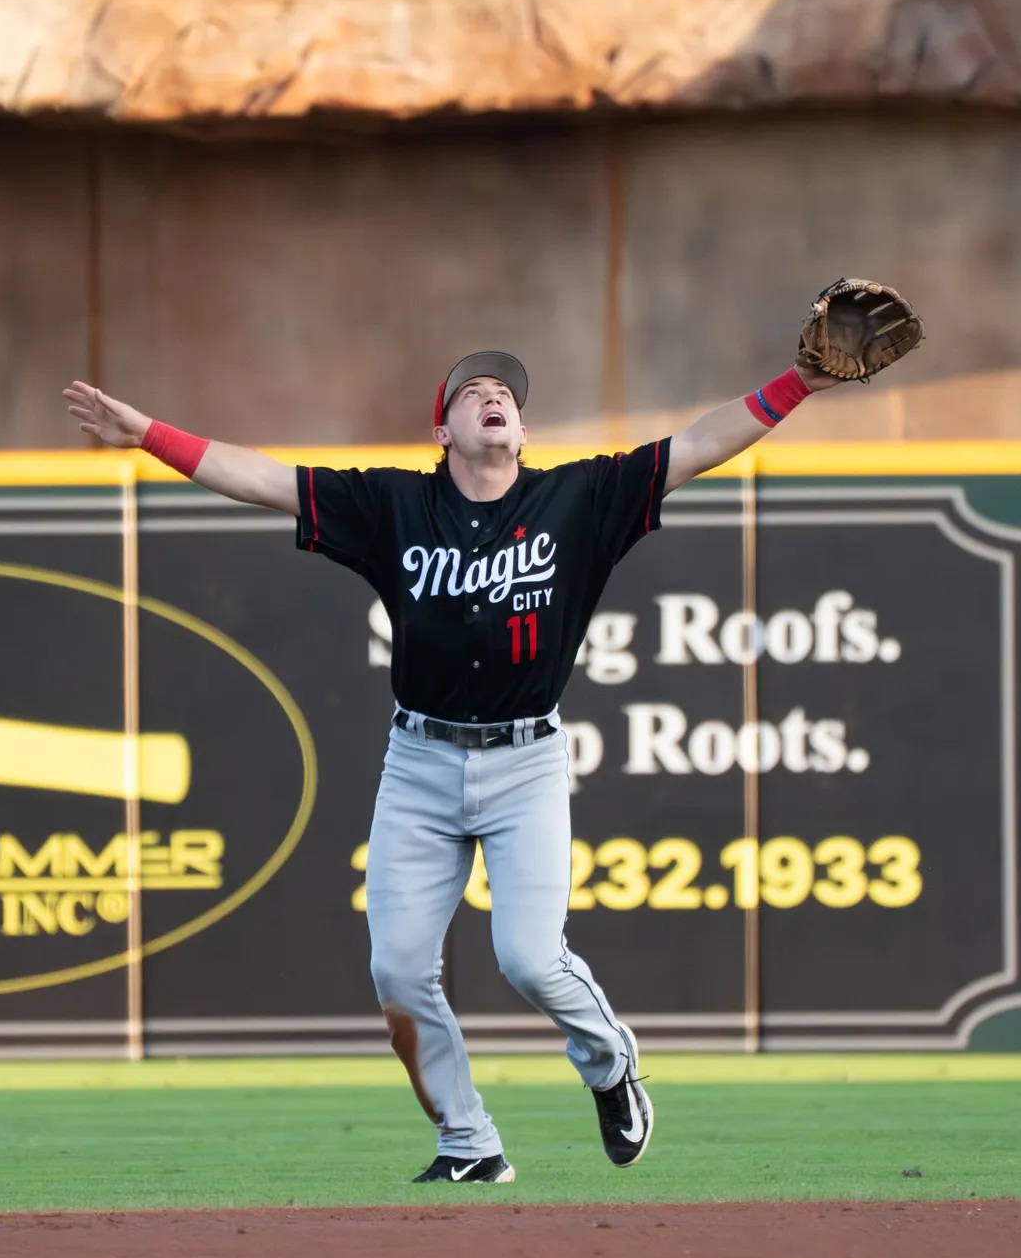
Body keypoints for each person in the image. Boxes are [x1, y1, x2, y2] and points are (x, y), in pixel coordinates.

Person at [65, 348, 841, 1183]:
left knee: (529, 958)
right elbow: (264, 479)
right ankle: (468, 1139)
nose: (493, 396)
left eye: (505, 392)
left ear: (523, 430)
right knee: (397, 971)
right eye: (473, 392)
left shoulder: (578, 498)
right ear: (443, 431)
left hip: (526, 760)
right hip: (420, 762)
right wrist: (150, 436)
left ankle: (610, 1062)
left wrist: (798, 383)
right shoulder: (394, 505)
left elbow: (698, 444)